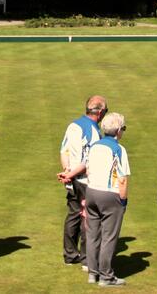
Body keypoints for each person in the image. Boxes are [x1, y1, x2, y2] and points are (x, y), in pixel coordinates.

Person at [55, 96, 106, 267]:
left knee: (73, 214)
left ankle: (70, 255)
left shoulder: (73, 125)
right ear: (99, 112)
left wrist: (67, 171)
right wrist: (71, 174)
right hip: (84, 180)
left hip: (72, 178)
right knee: (88, 218)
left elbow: (64, 151)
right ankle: (86, 258)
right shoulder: (93, 132)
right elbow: (88, 161)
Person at [83, 112, 130, 287]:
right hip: (110, 194)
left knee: (92, 234)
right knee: (109, 236)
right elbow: (123, 179)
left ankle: (92, 273)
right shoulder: (119, 149)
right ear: (118, 130)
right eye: (123, 128)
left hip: (91, 192)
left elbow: (87, 170)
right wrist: (123, 201)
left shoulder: (94, 146)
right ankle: (106, 277)